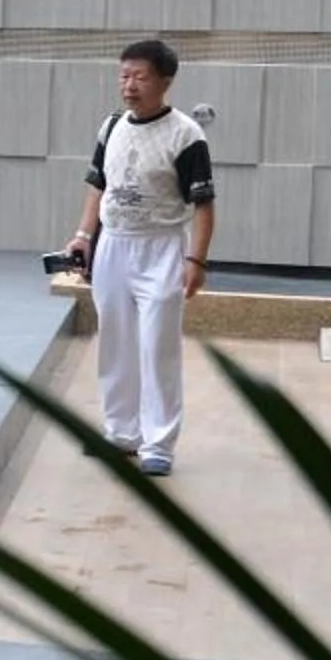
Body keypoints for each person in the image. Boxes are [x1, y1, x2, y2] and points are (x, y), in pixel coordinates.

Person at [64, 38, 217, 478]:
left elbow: (204, 206)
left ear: (165, 81)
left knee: (157, 346)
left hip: (162, 246)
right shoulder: (111, 125)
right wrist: (82, 236)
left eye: (139, 76)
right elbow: (98, 185)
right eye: (124, 75)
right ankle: (121, 432)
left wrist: (197, 261)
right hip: (113, 244)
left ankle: (159, 443)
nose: (128, 84)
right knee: (115, 339)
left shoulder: (186, 135)